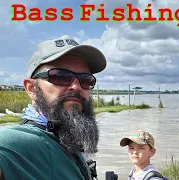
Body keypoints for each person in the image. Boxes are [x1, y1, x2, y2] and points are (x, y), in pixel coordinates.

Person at [0, 35, 107, 180]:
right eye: (60, 76)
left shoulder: (66, 136)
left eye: (86, 79)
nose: (76, 86)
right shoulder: (15, 146)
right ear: (31, 89)